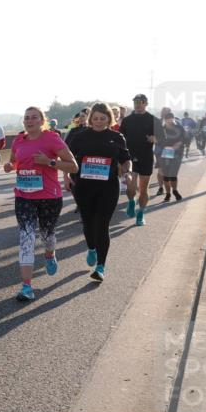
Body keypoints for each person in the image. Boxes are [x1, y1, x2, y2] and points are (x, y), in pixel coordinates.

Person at [3, 107, 79, 301]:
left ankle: (49, 254)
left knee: (47, 235)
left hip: (49, 197)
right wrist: (10, 166)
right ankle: (26, 287)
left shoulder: (51, 138)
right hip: (23, 197)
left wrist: (49, 162)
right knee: (26, 238)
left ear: (41, 120)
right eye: (26, 118)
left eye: (34, 117)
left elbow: (73, 165)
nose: (29, 121)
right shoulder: (19, 140)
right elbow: (14, 162)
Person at [68, 103, 132, 282]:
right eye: (95, 118)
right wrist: (66, 175)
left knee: (102, 225)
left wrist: (127, 172)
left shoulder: (117, 137)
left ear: (109, 119)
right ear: (90, 119)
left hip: (108, 187)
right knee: (88, 223)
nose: (98, 122)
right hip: (84, 186)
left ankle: (101, 267)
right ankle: (91, 248)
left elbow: (126, 159)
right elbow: (67, 158)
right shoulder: (80, 136)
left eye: (102, 118)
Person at [119, 93, 162, 227]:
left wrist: (155, 139)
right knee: (131, 188)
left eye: (141, 102)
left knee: (143, 190)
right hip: (130, 158)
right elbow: (120, 139)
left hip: (146, 157)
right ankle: (131, 202)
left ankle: (141, 213)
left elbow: (163, 138)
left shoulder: (153, 120)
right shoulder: (127, 120)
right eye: (136, 102)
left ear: (146, 103)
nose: (138, 104)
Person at [157, 114, 185, 202]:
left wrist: (179, 144)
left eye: (170, 119)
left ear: (174, 118)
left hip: (177, 153)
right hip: (165, 153)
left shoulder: (179, 128)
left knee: (173, 174)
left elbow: (185, 138)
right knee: (166, 175)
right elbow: (158, 141)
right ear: (164, 120)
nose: (169, 121)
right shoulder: (162, 129)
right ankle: (168, 193)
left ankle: (175, 191)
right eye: (167, 119)